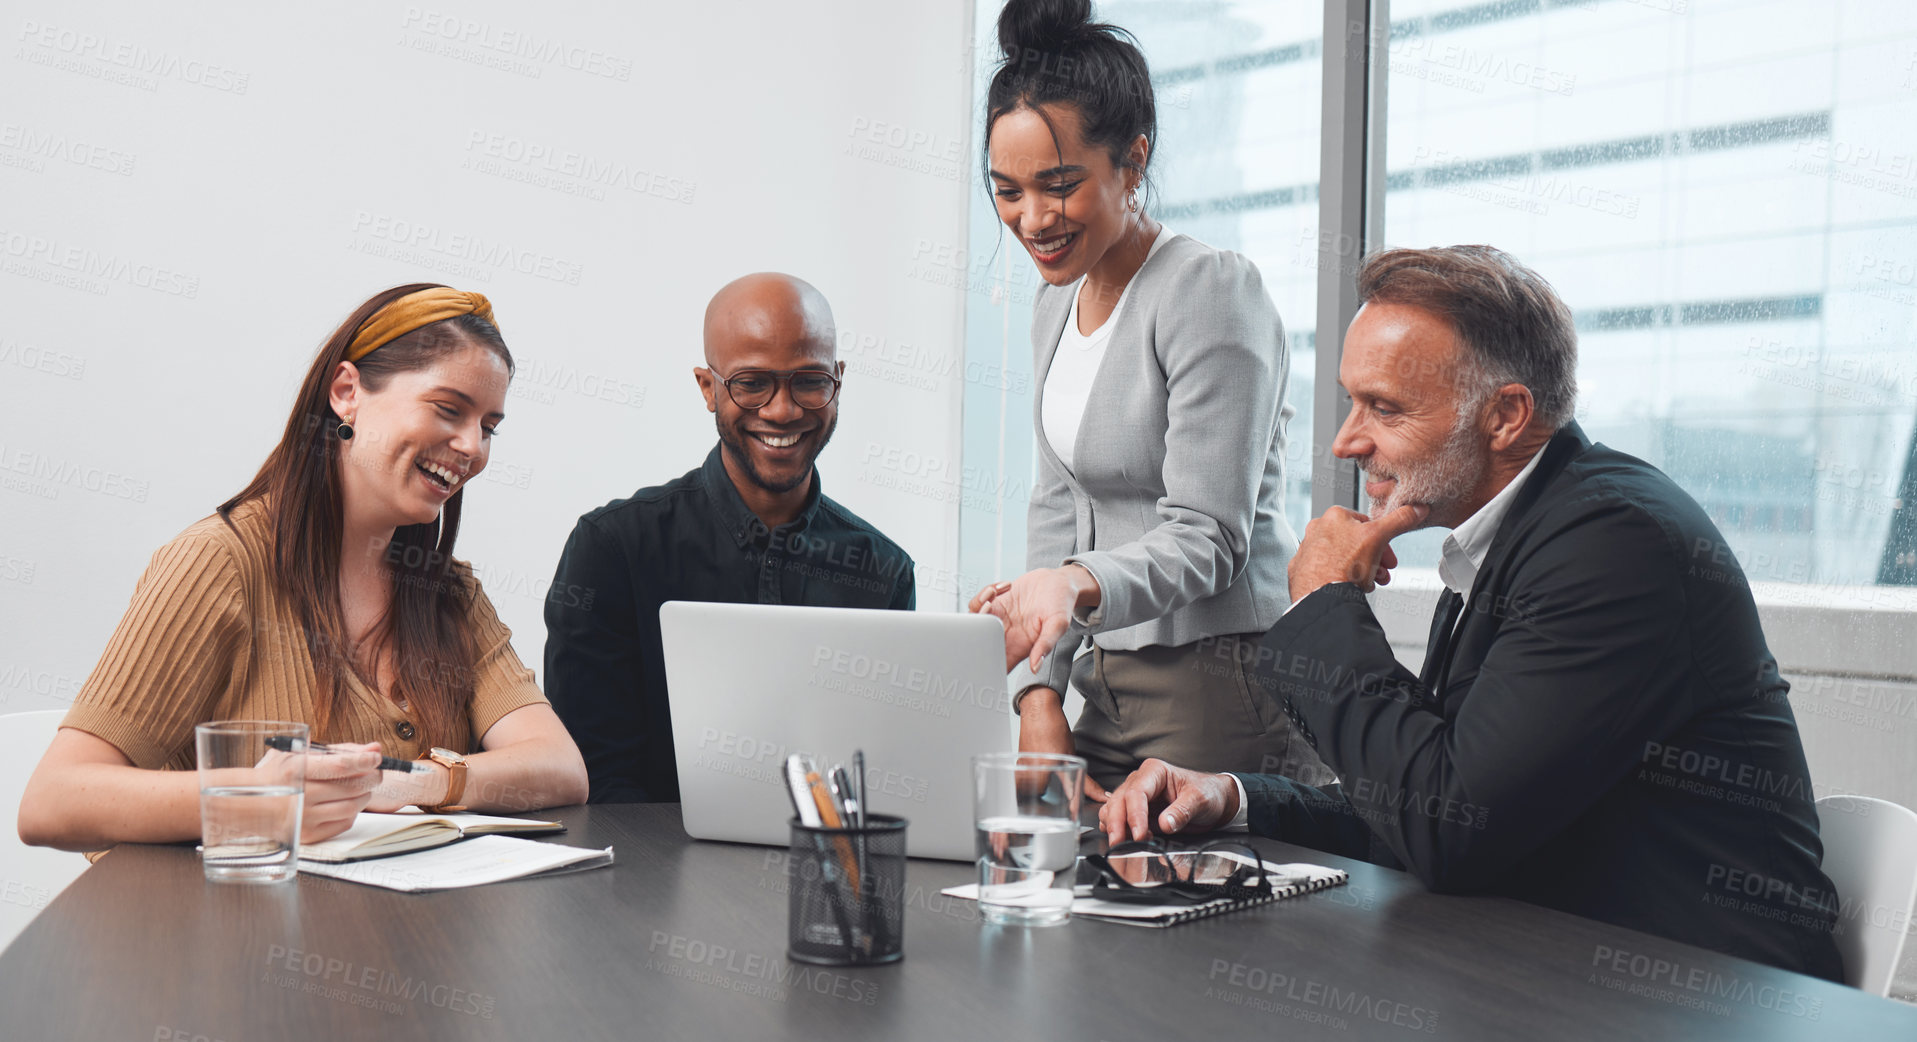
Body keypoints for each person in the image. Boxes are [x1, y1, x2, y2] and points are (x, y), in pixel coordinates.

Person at [1098, 246, 1846, 981]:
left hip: (1704, 996)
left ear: (1505, 415)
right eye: (1352, 401)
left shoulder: (1614, 546)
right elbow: (1427, 793)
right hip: (1568, 967)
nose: (1346, 440)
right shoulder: (1515, 536)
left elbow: (1445, 825)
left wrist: (1323, 601)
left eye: (1383, 408)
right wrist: (1234, 797)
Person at [18, 285, 589, 853]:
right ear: (347, 392)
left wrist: (424, 780)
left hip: (404, 931)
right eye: (448, 409)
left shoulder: (445, 591)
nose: (472, 447)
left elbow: (561, 768)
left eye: (488, 427)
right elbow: (54, 802)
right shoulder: (219, 562)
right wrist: (263, 798)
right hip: (216, 932)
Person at [967, 0, 1330, 799]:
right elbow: (1056, 509)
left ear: (1132, 163)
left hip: (1218, 684)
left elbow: (1209, 536)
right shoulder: (1053, 304)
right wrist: (1037, 694)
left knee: (1194, 913)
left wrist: (1070, 585)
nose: (1032, 219)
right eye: (1007, 192)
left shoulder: (1207, 291)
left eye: (1059, 186)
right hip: (1106, 681)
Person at [544, 273, 916, 803]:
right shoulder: (612, 549)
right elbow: (596, 783)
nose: (783, 410)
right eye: (751, 383)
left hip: (822, 874)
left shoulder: (884, 570)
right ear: (708, 387)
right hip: (647, 877)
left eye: (809, 381)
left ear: (838, 380)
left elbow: (881, 779)